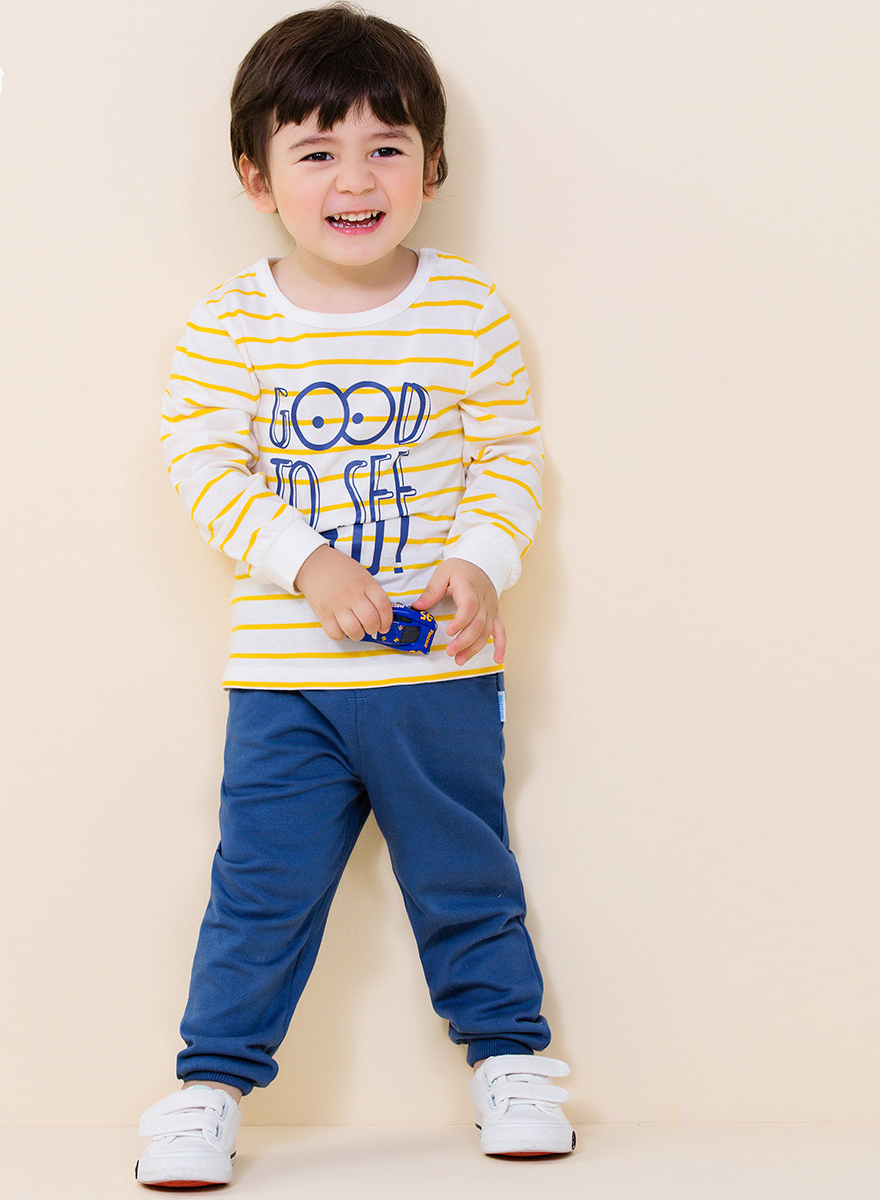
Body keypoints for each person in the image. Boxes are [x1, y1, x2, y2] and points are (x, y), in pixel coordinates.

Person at [137, 4, 574, 1188]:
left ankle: (513, 1062)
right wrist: (308, 562)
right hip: (287, 682)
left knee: (465, 877)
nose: (354, 178)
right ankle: (209, 1085)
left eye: (387, 147)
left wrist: (482, 562)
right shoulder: (232, 324)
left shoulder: (469, 311)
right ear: (257, 177)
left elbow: (511, 461)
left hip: (436, 671)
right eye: (316, 150)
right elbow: (200, 461)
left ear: (432, 167)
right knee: (260, 891)